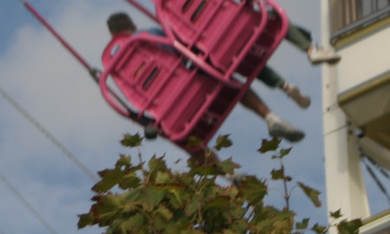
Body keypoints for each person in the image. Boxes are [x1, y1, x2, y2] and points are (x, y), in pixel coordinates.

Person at [105, 12, 307, 143]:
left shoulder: (118, 68)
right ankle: (269, 116)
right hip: (193, 84)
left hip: (168, 110)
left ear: (114, 36)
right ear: (134, 24)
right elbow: (182, 52)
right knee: (225, 75)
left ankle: (228, 175)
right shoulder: (151, 34)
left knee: (181, 138)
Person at [218, 0, 340, 64]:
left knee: (278, 20)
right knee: (278, 20)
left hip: (233, 28)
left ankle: (311, 49)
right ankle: (311, 50)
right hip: (239, 26)